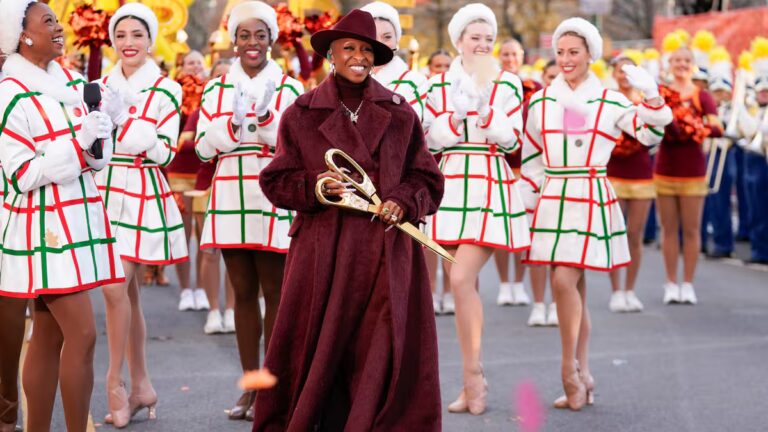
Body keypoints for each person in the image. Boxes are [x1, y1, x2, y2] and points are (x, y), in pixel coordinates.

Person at [252, 9, 443, 430]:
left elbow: (427, 179)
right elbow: (277, 181)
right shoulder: (301, 112)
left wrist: (403, 201)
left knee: (379, 350)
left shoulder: (400, 112)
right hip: (324, 255)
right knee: (317, 346)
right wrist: (316, 187)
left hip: (387, 253)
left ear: (375, 58)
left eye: (366, 50)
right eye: (349, 48)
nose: (358, 57)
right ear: (331, 56)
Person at [519, 18, 671, 410]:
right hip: (554, 196)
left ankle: (568, 370)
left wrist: (652, 97)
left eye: (575, 52)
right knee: (573, 289)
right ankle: (584, 372)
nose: (566, 59)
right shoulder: (541, 101)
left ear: (591, 54)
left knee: (564, 283)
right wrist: (529, 200)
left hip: (589, 193)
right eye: (561, 52)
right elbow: (533, 158)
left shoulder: (609, 99)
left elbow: (650, 135)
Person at [0, 1, 123, 430]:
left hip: (79, 215)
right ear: (22, 35)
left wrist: (104, 131)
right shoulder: (8, 92)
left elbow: (93, 161)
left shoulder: (71, 82)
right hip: (43, 225)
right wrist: (77, 146)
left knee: (49, 336)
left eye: (57, 19)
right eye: (47, 21)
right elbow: (21, 174)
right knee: (84, 335)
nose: (59, 27)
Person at [194, 1, 303, 421]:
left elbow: (300, 148)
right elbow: (203, 147)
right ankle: (251, 384)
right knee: (241, 293)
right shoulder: (216, 88)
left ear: (271, 40)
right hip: (231, 191)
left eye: (260, 35)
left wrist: (266, 125)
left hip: (273, 189)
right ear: (233, 41)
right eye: (244, 35)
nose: (252, 43)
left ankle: (274, 388)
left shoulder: (291, 89)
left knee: (275, 293)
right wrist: (232, 128)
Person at [422, 3, 530, 415]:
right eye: (475, 38)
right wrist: (456, 115)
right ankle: (471, 379)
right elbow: (430, 138)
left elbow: (512, 139)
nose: (483, 44)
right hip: (449, 185)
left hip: (488, 182)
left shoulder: (508, 83)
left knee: (463, 278)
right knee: (461, 284)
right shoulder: (436, 86)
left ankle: (474, 377)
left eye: (489, 38)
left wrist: (487, 114)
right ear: (459, 41)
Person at [94, 3, 188, 427]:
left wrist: (123, 123)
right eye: (121, 35)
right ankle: (142, 385)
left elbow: (164, 150)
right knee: (124, 294)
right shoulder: (96, 85)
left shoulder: (167, 90)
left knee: (116, 289)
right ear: (112, 40)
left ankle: (114, 382)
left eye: (137, 34)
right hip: (101, 189)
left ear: (151, 40)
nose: (128, 43)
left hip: (141, 190)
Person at [654, 46, 723, 305]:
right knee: (669, 230)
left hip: (693, 171)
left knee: (692, 230)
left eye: (686, 60)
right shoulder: (662, 94)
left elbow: (718, 128)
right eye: (677, 60)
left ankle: (688, 283)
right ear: (669, 63)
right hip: (665, 169)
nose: (681, 64)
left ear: (692, 64)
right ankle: (670, 282)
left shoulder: (701, 96)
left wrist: (693, 126)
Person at [182, 58, 238, 333]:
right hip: (207, 183)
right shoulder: (203, 109)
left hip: (236, 185)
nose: (225, 82)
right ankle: (213, 310)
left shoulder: (247, 107)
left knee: (234, 252)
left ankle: (231, 309)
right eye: (219, 77)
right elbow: (192, 145)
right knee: (211, 250)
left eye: (229, 76)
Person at [605, 54, 658, 313]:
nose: (624, 76)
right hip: (613, 172)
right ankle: (616, 290)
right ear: (613, 73)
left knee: (634, 234)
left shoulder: (644, 102)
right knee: (614, 234)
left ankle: (630, 289)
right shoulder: (606, 100)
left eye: (629, 71)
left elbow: (656, 132)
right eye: (619, 70)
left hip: (640, 173)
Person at [495, 38, 535, 307]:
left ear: (522, 57)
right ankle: (504, 283)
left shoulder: (534, 88)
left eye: (515, 54)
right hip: (499, 165)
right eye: (505, 54)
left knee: (522, 227)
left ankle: (519, 282)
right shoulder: (494, 88)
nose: (510, 59)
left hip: (526, 166)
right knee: (499, 227)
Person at [361, 2, 426, 118]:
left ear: (397, 40)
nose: (380, 43)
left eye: (387, 37)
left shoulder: (415, 82)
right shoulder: (346, 79)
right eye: (372, 37)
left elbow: (410, 126)